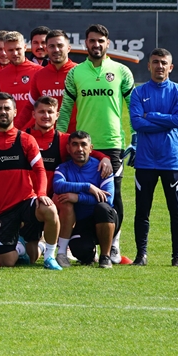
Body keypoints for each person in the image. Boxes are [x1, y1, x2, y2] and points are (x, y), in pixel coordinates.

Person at [57, 24, 134, 264]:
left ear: (108, 43)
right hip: (82, 146)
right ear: (86, 44)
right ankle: (76, 242)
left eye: (101, 41)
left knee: (114, 196)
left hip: (111, 144)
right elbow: (66, 109)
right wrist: (59, 138)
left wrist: (136, 139)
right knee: (71, 192)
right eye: (92, 41)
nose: (96, 45)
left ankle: (113, 249)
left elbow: (134, 107)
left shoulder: (121, 71)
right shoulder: (76, 73)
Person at [0, 93, 62, 269]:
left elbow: (39, 169)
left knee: (49, 209)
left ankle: (49, 255)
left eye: (7, 108)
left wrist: (40, 194)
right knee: (7, 262)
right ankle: (25, 246)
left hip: (27, 202)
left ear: (15, 112)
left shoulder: (26, 139)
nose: (3, 112)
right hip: (2, 210)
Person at [129, 48, 178, 267]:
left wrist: (150, 116)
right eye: (155, 62)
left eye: (164, 63)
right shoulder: (138, 92)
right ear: (149, 65)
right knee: (142, 211)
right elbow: (137, 123)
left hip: (171, 161)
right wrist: (163, 120)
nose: (159, 66)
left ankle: (177, 257)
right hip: (145, 161)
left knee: (176, 211)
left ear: (171, 67)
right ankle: (141, 255)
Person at [53, 131, 119, 268]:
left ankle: (105, 256)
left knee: (103, 208)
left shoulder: (103, 168)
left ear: (91, 148)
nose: (79, 149)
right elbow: (58, 185)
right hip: (81, 223)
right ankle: (90, 254)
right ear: (68, 148)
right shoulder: (63, 168)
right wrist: (88, 187)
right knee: (81, 251)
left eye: (84, 145)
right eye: (75, 145)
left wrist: (77, 197)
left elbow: (108, 199)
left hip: (105, 218)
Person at [0, 31, 42, 130]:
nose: (15, 53)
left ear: (25, 47)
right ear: (5, 50)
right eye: (10, 50)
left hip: (34, 131)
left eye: (18, 49)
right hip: (9, 132)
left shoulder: (39, 72)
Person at [30, 29, 75, 119]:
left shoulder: (80, 72)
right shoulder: (38, 75)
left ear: (69, 48)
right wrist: (18, 131)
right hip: (49, 132)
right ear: (46, 49)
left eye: (60, 45)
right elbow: (30, 108)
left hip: (76, 131)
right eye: (51, 46)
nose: (56, 50)